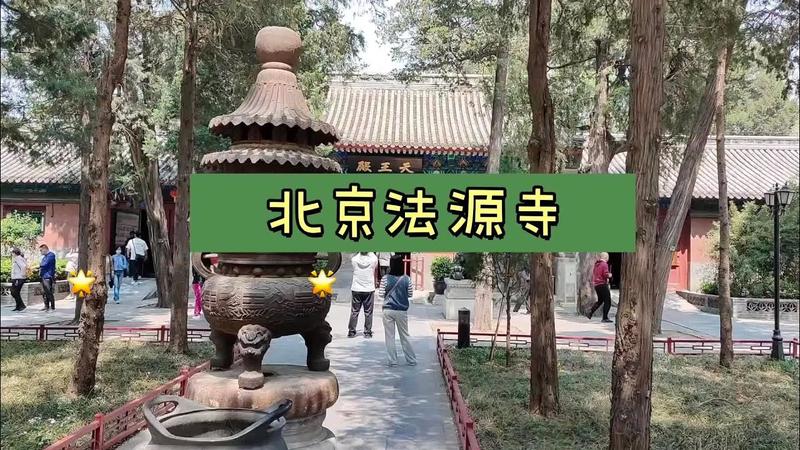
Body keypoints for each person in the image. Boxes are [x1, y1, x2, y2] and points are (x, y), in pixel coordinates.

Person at [379, 255, 417, 366]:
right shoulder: (407, 279)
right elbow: (410, 294)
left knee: (389, 337)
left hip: (388, 310)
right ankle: (411, 360)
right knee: (405, 336)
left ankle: (393, 361)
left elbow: (381, 294)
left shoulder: (385, 278)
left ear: (391, 265)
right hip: (401, 311)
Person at [348, 252, 378, 338]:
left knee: (354, 311)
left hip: (356, 288)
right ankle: (367, 332)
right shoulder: (373, 260)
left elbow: (353, 256)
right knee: (368, 312)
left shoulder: (354, 260)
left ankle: (351, 331)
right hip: (368, 289)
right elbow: (374, 257)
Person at [587, 252, 613, 323]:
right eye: (608, 257)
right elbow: (605, 274)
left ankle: (590, 312)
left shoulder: (596, 264)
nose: (608, 259)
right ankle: (605, 318)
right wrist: (609, 275)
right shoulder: (604, 264)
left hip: (597, 285)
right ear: (605, 257)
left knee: (600, 301)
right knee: (608, 301)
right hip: (602, 284)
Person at [38, 244, 57, 311]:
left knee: (48, 292)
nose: (40, 252)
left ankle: (52, 307)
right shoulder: (44, 257)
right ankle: (46, 306)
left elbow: (44, 264)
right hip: (43, 276)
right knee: (44, 292)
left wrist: (38, 265)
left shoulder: (51, 255)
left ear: (45, 249)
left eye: (41, 250)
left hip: (48, 276)